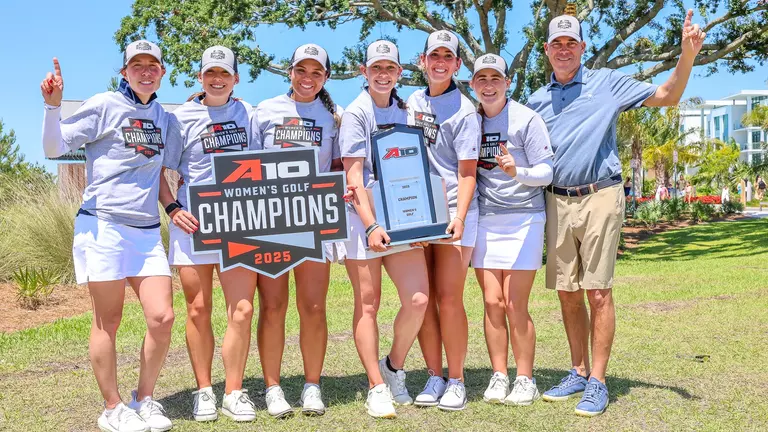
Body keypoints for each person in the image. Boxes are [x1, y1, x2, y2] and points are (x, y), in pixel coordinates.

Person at [526, 10, 706, 417]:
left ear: (583, 47)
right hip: (556, 200)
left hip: (600, 195)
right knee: (567, 292)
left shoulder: (607, 82)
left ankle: (598, 381)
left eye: (571, 43)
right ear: (547, 50)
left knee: (598, 291)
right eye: (557, 44)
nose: (564, 50)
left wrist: (687, 55)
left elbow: (668, 95)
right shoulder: (535, 101)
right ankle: (577, 371)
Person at [41, 40, 180, 432]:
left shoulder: (164, 118)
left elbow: (161, 175)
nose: (145, 71)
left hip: (146, 231)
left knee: (162, 317)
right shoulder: (104, 105)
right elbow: (53, 147)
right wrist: (52, 107)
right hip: (103, 226)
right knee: (109, 319)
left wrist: (172, 207)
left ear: (162, 72)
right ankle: (112, 407)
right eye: (137, 65)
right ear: (124, 72)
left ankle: (144, 399)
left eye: (153, 65)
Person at [158, 46, 259, 423]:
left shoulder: (248, 114)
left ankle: (233, 391)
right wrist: (173, 208)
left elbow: (266, 163)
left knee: (242, 309)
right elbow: (160, 172)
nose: (217, 80)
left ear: (236, 78)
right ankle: (204, 391)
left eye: (225, 73)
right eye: (210, 73)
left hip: (239, 222)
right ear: (200, 77)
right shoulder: (180, 117)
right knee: (198, 308)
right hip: (194, 224)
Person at [250, 43, 343, 417]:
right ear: (289, 72)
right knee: (273, 306)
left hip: (314, 219)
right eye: (301, 70)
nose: (308, 78)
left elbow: (337, 168)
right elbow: (246, 165)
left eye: (316, 72)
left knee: (314, 306)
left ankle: (312, 385)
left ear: (326, 77)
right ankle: (273, 387)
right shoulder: (265, 111)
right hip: (270, 220)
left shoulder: (332, 117)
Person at [339, 40, 430, 418]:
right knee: (368, 303)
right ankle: (376, 386)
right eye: (375, 67)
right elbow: (353, 176)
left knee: (418, 299)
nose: (382, 74)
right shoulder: (356, 113)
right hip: (362, 218)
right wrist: (371, 224)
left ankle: (393, 366)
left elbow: (415, 169)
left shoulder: (407, 111)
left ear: (399, 73)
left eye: (389, 68)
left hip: (402, 218)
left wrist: (421, 218)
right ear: (364, 71)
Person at [468, 54, 554, 406]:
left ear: (507, 83)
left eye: (495, 79)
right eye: (482, 79)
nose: (488, 85)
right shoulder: (470, 120)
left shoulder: (527, 119)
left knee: (515, 303)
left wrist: (517, 171)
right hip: (486, 218)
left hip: (525, 218)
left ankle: (525, 378)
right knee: (492, 302)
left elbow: (546, 172)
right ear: (473, 84)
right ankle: (499, 375)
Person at [407, 30, 482, 411]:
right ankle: (434, 375)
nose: (439, 62)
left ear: (457, 64)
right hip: (417, 211)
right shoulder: (412, 101)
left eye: (447, 57)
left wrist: (460, 217)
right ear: (423, 61)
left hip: (454, 211)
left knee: (449, 298)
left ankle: (456, 380)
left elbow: (468, 173)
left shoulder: (464, 110)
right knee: (423, 299)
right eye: (433, 55)